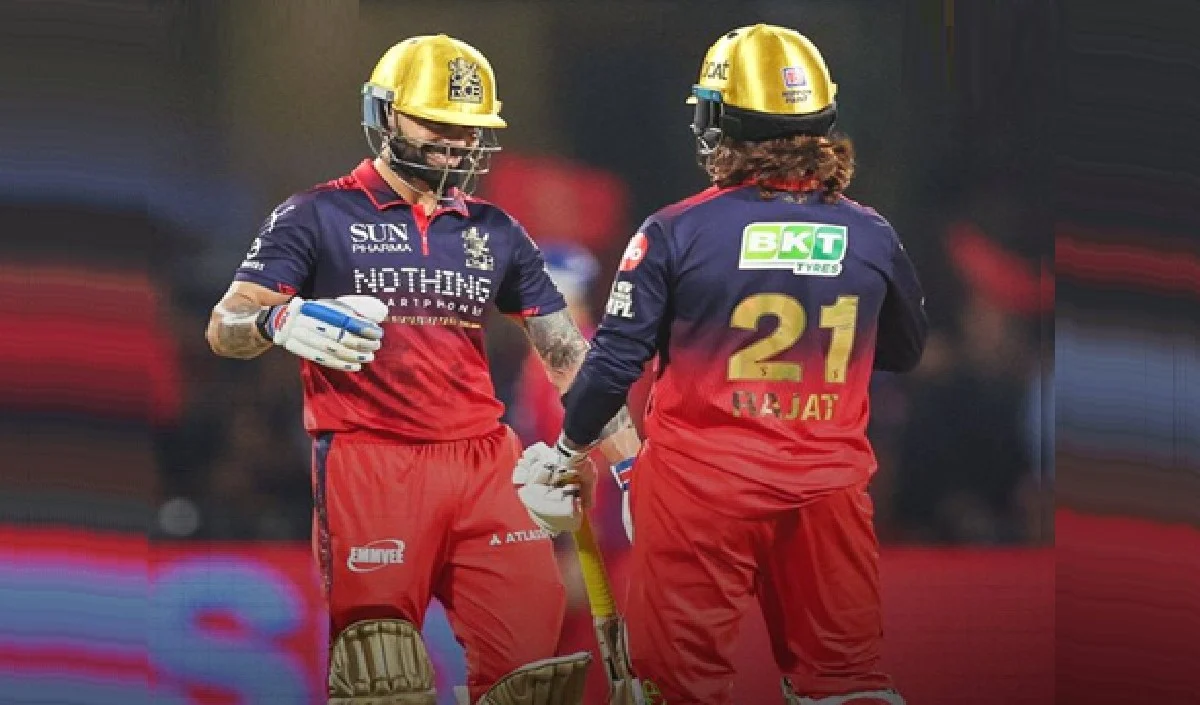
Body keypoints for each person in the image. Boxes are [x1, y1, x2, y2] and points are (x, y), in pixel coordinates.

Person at [205, 34, 639, 705]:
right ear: (384, 113)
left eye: (469, 127)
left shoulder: (497, 230)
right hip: (372, 459)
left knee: (533, 677)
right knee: (382, 677)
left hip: (485, 463)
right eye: (436, 122)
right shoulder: (315, 214)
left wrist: (636, 468)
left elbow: (568, 357)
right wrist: (277, 322)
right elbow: (224, 325)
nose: (456, 142)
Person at [518, 24, 927, 705]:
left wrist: (566, 452)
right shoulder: (872, 233)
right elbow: (906, 350)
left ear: (720, 122)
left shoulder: (674, 230)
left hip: (700, 496)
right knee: (846, 682)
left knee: (677, 688)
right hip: (827, 491)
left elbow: (614, 362)